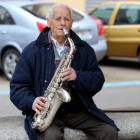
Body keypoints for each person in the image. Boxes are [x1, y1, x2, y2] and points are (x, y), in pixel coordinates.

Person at [10, 3, 119, 140]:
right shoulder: (31, 51)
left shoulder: (84, 49)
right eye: (58, 18)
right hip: (47, 111)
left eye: (67, 19)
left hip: (78, 110)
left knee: (109, 131)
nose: (63, 23)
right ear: (48, 22)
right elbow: (17, 87)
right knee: (52, 137)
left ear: (71, 24)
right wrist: (31, 101)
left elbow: (98, 80)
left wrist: (78, 76)